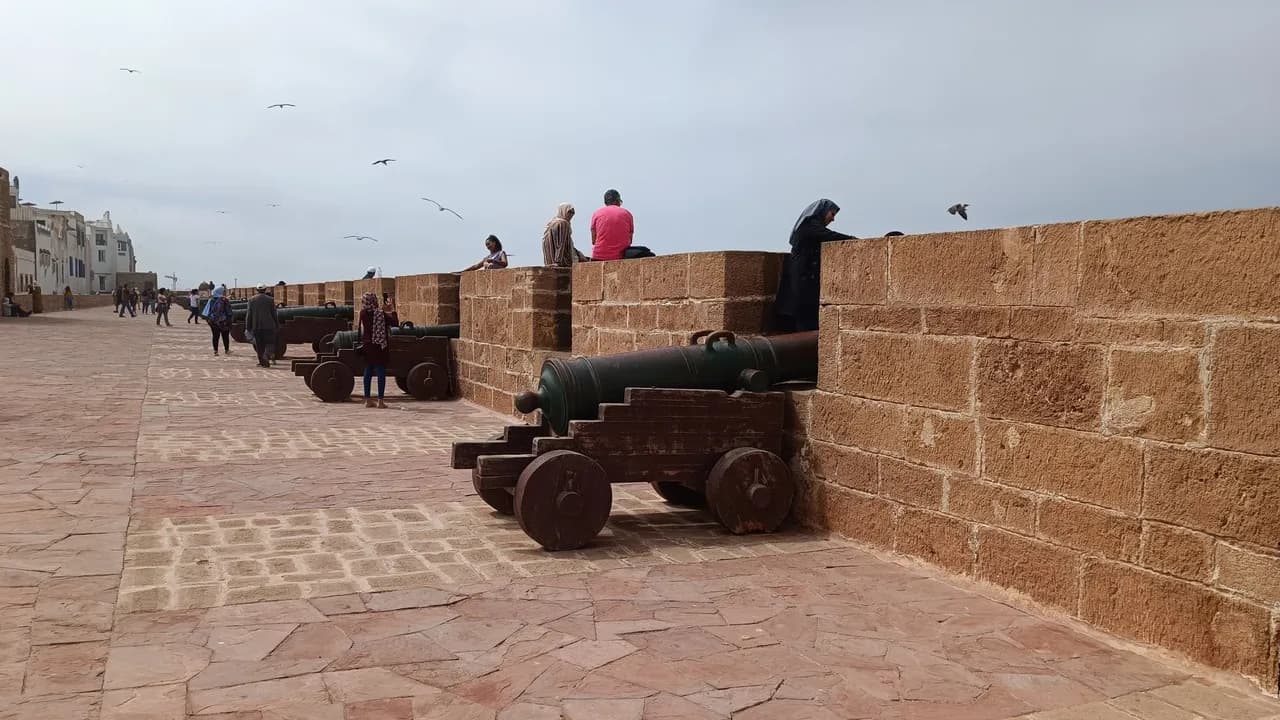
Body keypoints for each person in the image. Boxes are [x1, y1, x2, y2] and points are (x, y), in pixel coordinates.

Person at [774, 198, 856, 332]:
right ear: (823, 211)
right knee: (800, 315)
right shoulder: (809, 226)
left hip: (804, 277)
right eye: (832, 214)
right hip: (800, 277)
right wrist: (851, 239)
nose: (833, 219)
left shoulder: (812, 226)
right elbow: (828, 235)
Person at [357, 292, 398, 408]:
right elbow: (395, 323)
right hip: (379, 346)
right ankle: (380, 401)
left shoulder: (363, 313)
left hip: (367, 345)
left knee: (368, 371)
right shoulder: (380, 314)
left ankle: (368, 400)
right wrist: (392, 309)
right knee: (380, 372)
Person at [589, 188, 635, 261]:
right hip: (621, 257)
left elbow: (593, 241)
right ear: (617, 201)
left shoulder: (596, 214)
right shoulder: (627, 214)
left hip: (599, 256)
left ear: (605, 202)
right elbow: (630, 240)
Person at [542, 202, 588, 267]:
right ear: (563, 211)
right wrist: (558, 262)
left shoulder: (552, 223)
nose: (571, 215)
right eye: (569, 212)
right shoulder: (563, 223)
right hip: (562, 261)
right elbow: (561, 244)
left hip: (549, 260)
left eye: (573, 213)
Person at [245, 284, 280, 368]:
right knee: (269, 343)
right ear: (265, 290)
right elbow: (274, 314)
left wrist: (248, 326)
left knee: (259, 345)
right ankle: (267, 355)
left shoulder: (251, 300)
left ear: (257, 290)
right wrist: (277, 324)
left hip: (256, 325)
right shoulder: (270, 300)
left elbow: (249, 314)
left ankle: (262, 361)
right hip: (269, 325)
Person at [205, 285, 233, 355]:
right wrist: (230, 320)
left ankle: (215, 351)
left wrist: (209, 320)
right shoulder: (224, 300)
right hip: (224, 322)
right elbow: (229, 311)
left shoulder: (211, 300)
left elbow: (207, 311)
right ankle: (226, 350)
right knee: (225, 336)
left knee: (215, 336)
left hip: (213, 321)